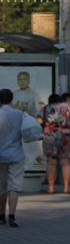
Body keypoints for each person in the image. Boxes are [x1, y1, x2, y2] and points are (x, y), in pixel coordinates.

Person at [0, 88, 26, 227]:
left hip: (0, 155)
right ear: (12, 99)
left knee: (1, 187)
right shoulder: (19, 114)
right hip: (16, 153)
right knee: (14, 186)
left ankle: (1, 216)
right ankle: (12, 216)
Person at [41, 93, 70, 194]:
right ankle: (66, 188)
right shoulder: (67, 107)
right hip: (65, 136)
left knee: (51, 162)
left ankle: (51, 188)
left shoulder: (45, 108)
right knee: (66, 162)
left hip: (50, 136)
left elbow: (40, 120)